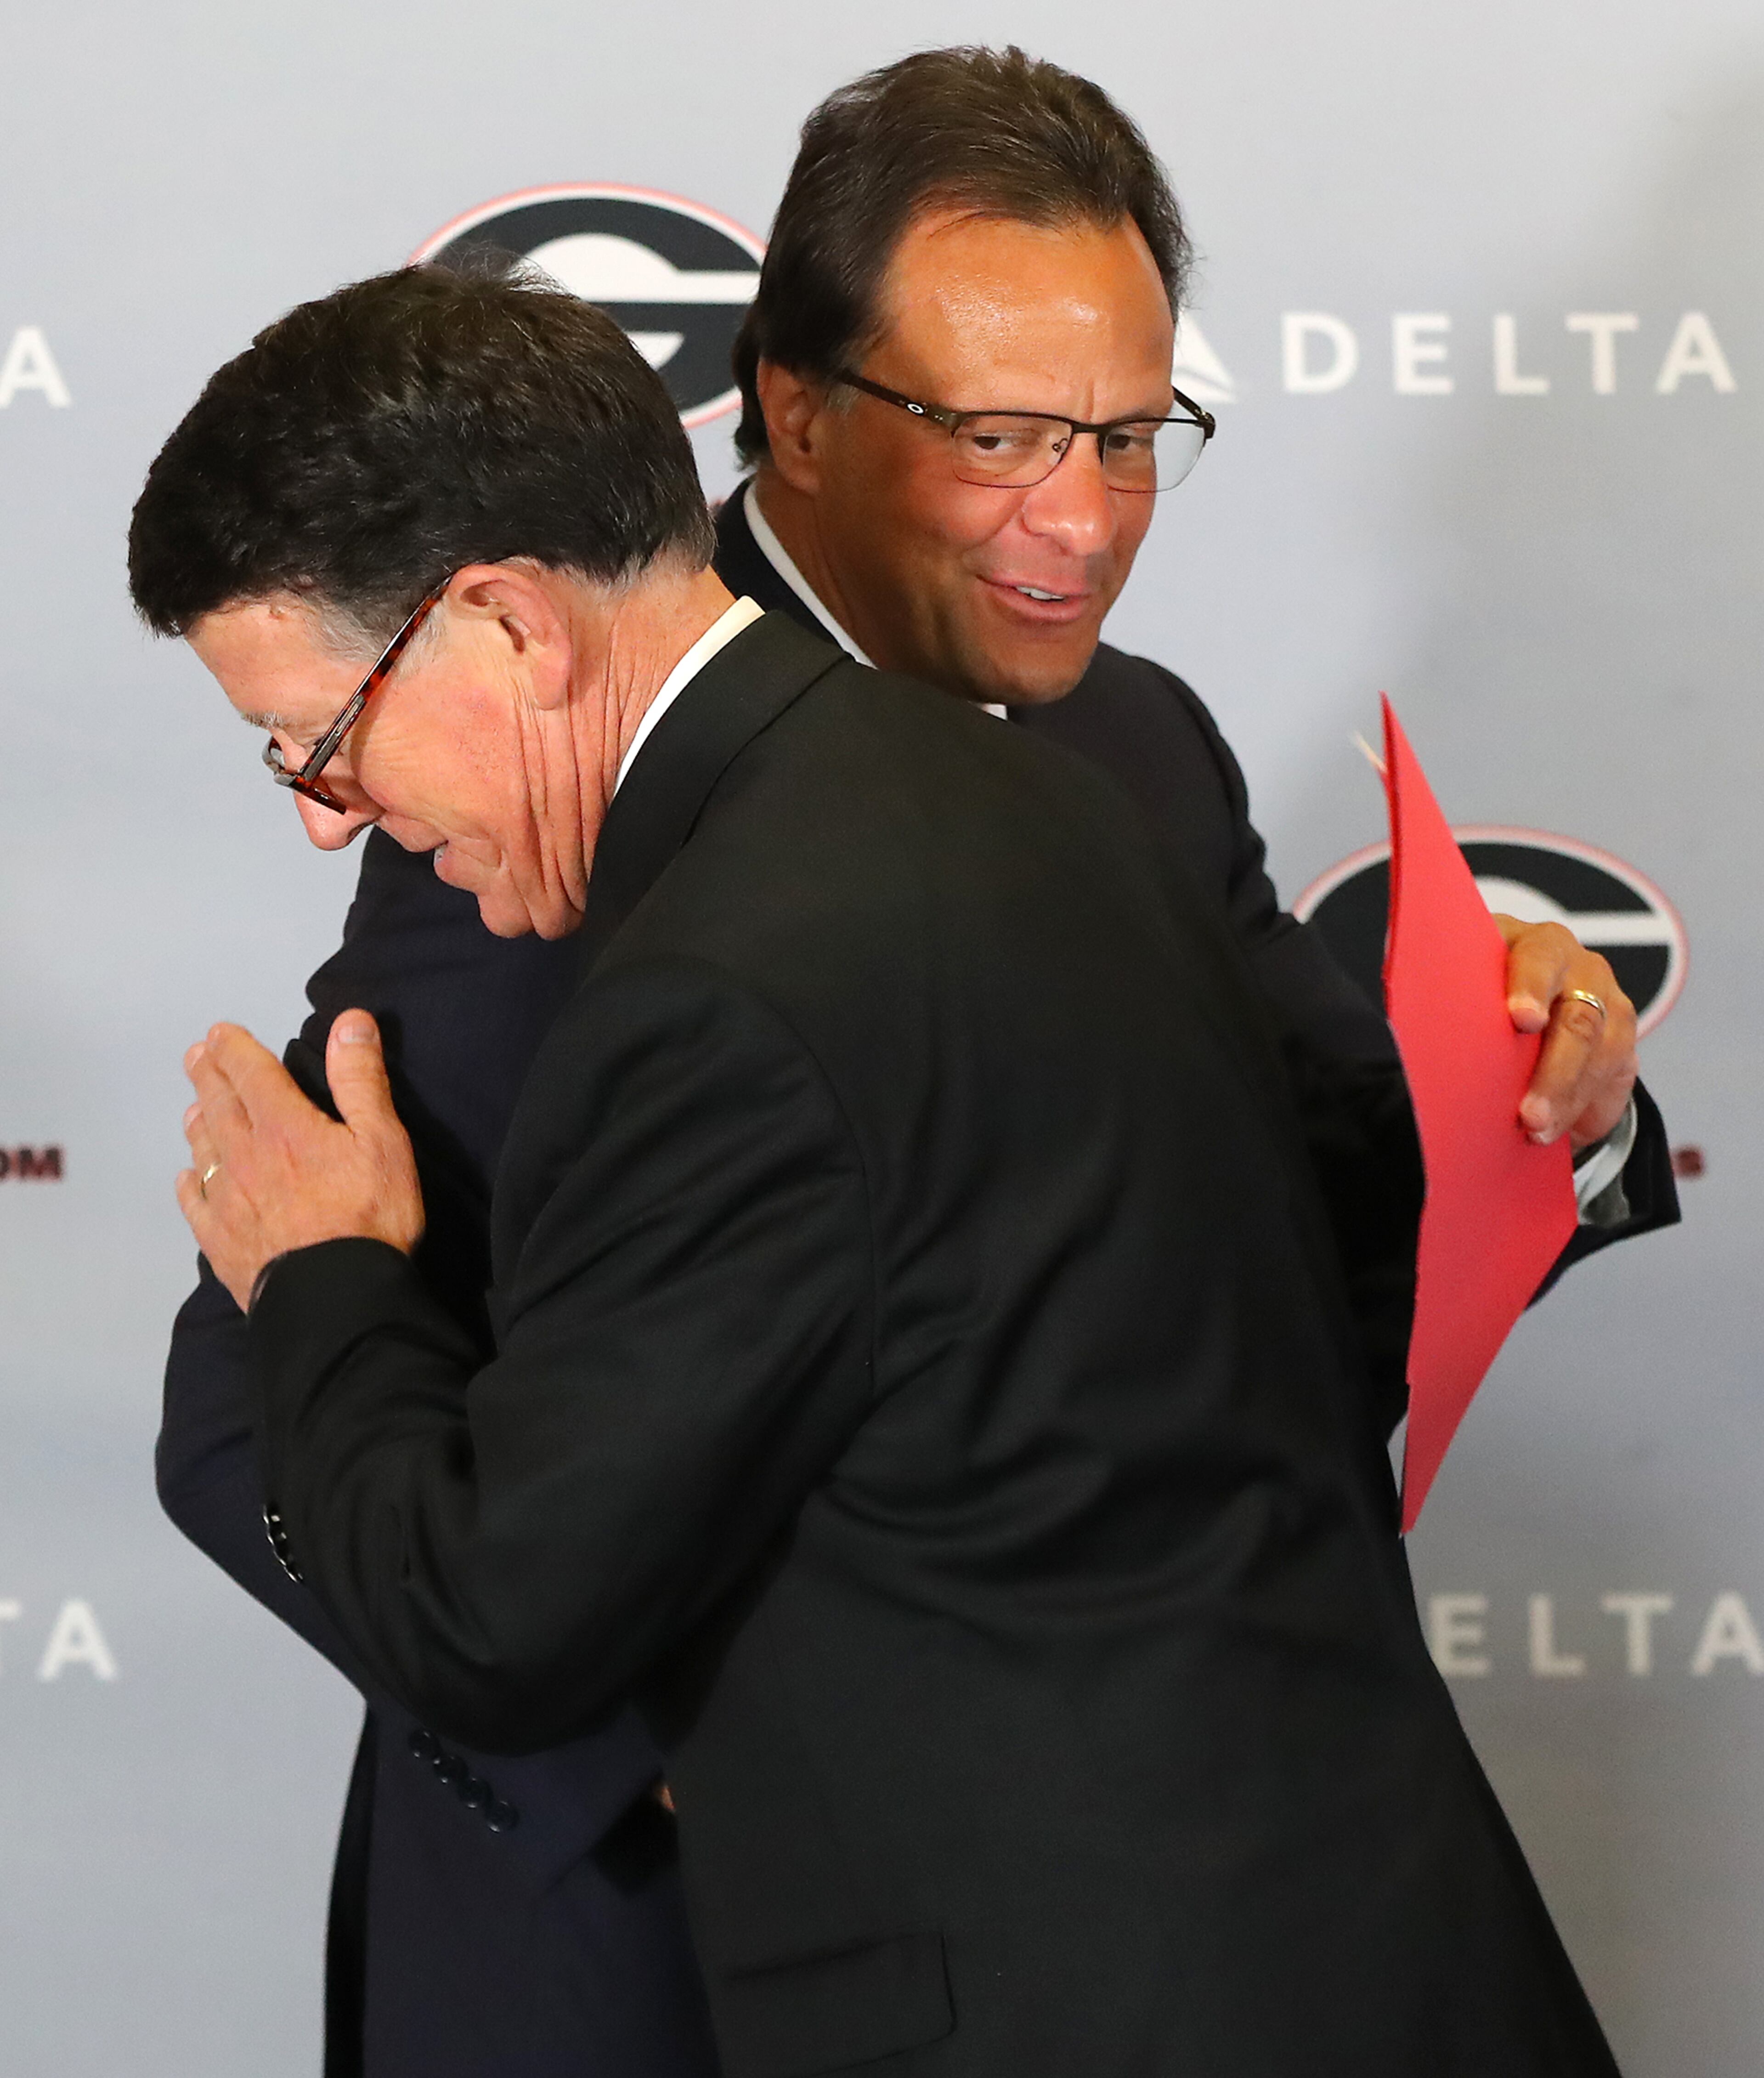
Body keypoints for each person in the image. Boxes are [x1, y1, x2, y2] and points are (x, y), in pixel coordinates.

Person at [153, 47, 1677, 2078]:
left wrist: (1527, 1086)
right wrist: (667, 1742)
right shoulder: (511, 850)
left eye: (1132, 439)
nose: (1083, 517)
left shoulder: (1132, 757)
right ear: (796, 410)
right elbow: (247, 1415)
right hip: (643, 1944)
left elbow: (1286, 1275)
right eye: (1006, 435)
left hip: (1090, 1927)